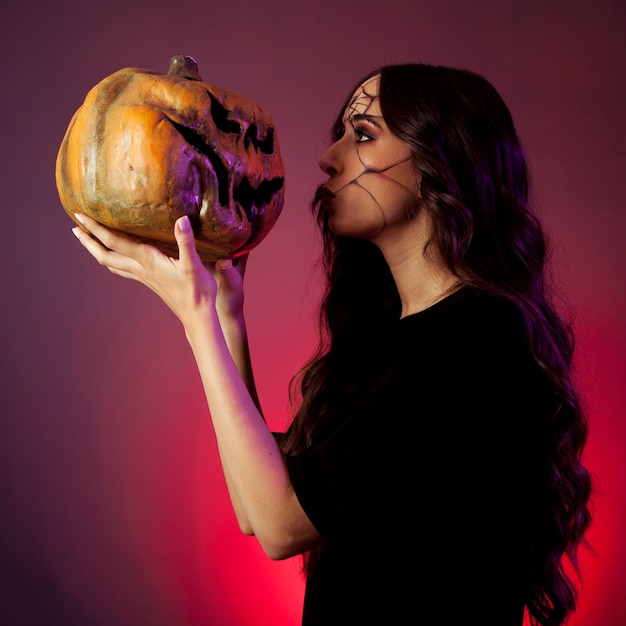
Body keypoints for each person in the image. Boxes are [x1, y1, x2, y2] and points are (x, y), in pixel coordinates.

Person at [71, 63, 593, 626]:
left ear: (440, 162)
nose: (329, 157)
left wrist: (195, 318)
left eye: (363, 135)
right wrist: (226, 315)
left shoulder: (478, 339)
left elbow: (280, 525)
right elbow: (256, 505)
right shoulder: (396, 338)